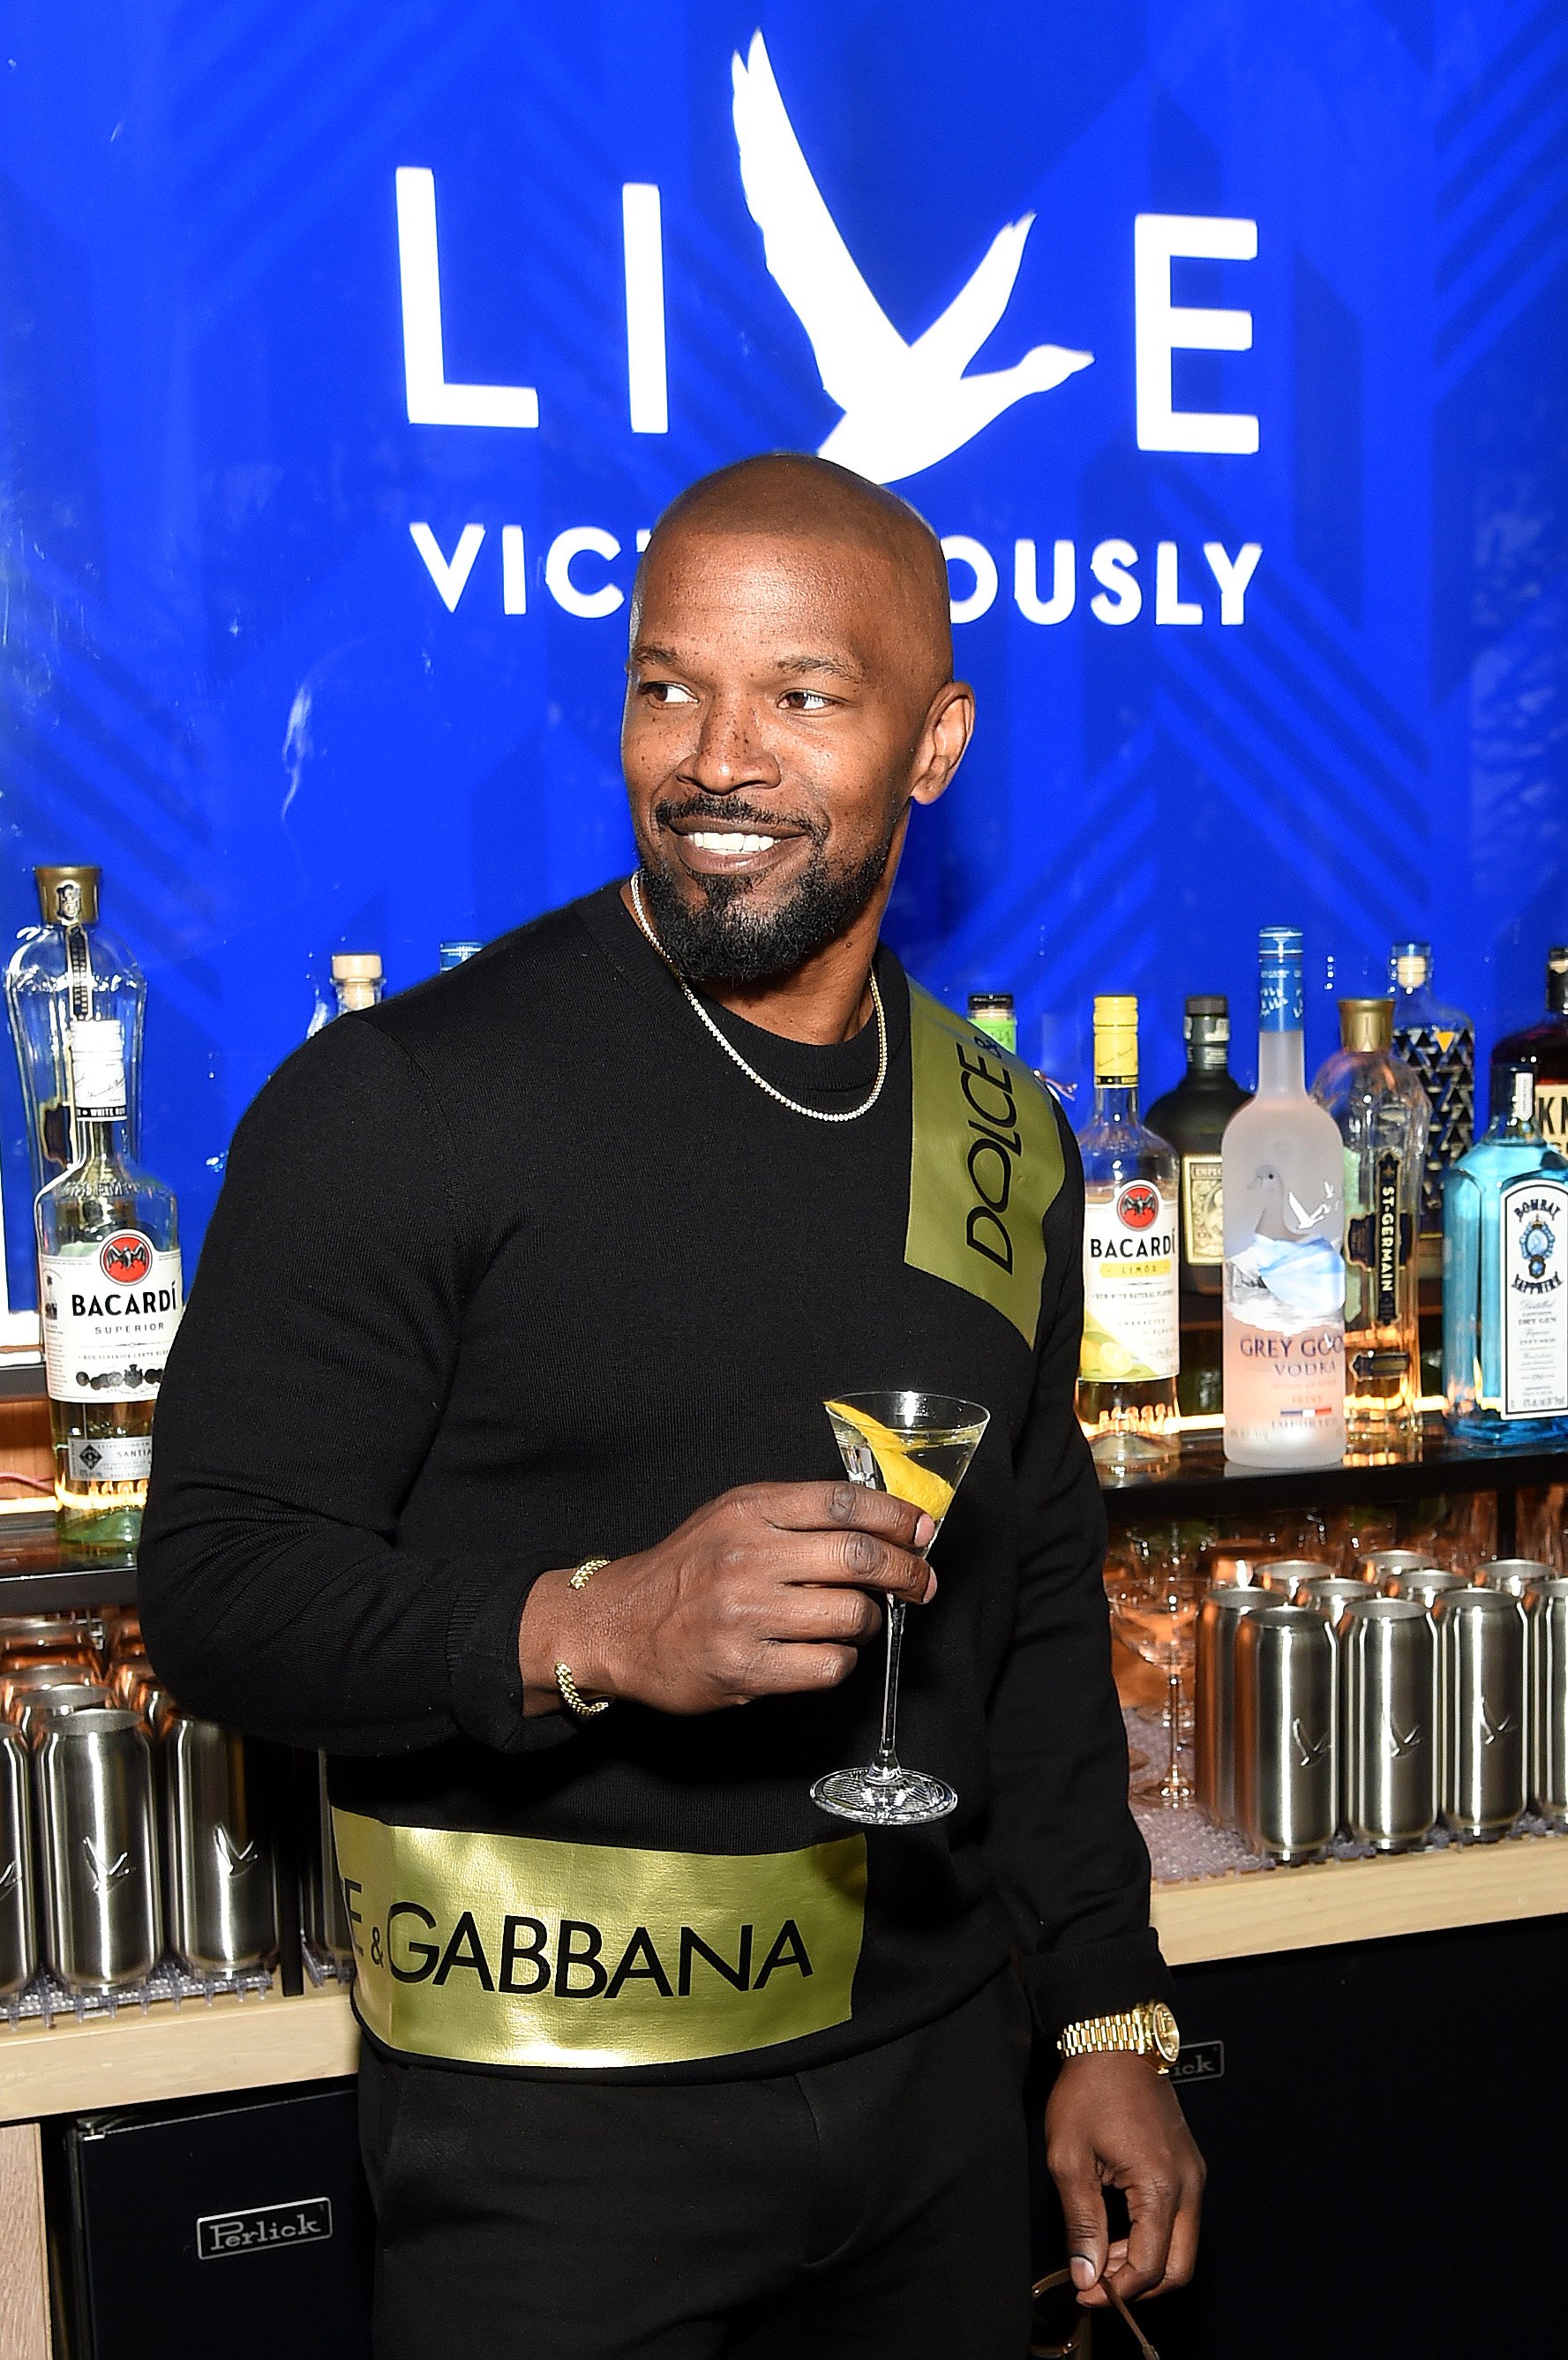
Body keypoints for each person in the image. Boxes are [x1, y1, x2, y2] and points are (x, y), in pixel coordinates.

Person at [139, 452, 1204, 2358]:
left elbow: (1035, 1610)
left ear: (934, 739)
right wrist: (589, 1624)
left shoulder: (999, 1138)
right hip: (548, 2140)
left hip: (935, 2108)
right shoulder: (403, 1105)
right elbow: (218, 1586)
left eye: (803, 694)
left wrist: (1106, 2017)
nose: (715, 757)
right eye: (665, 684)